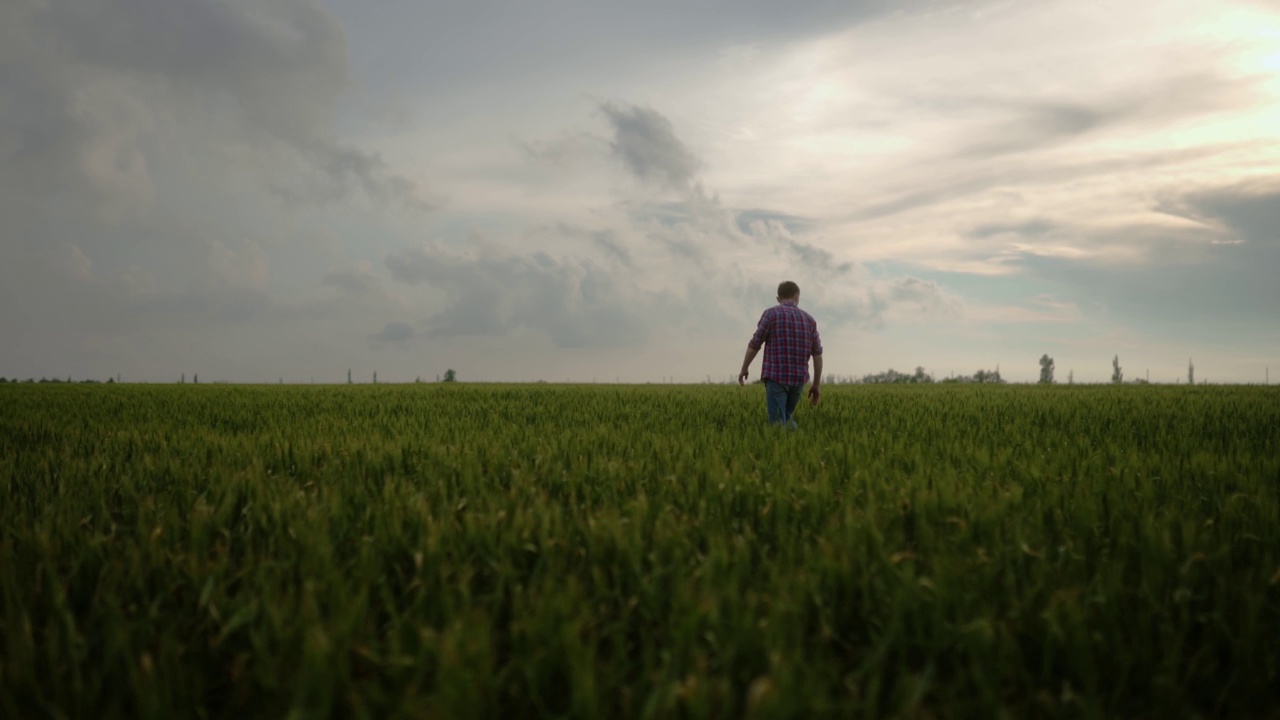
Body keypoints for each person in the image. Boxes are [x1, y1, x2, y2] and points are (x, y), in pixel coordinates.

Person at [737, 281, 823, 428]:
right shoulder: (809, 320)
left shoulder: (770, 314)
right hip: (798, 381)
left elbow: (754, 345)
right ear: (797, 297)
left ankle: (787, 446)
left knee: (778, 423)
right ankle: (797, 446)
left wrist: (744, 368)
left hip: (776, 378)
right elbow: (817, 355)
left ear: (778, 298)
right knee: (787, 418)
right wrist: (816, 384)